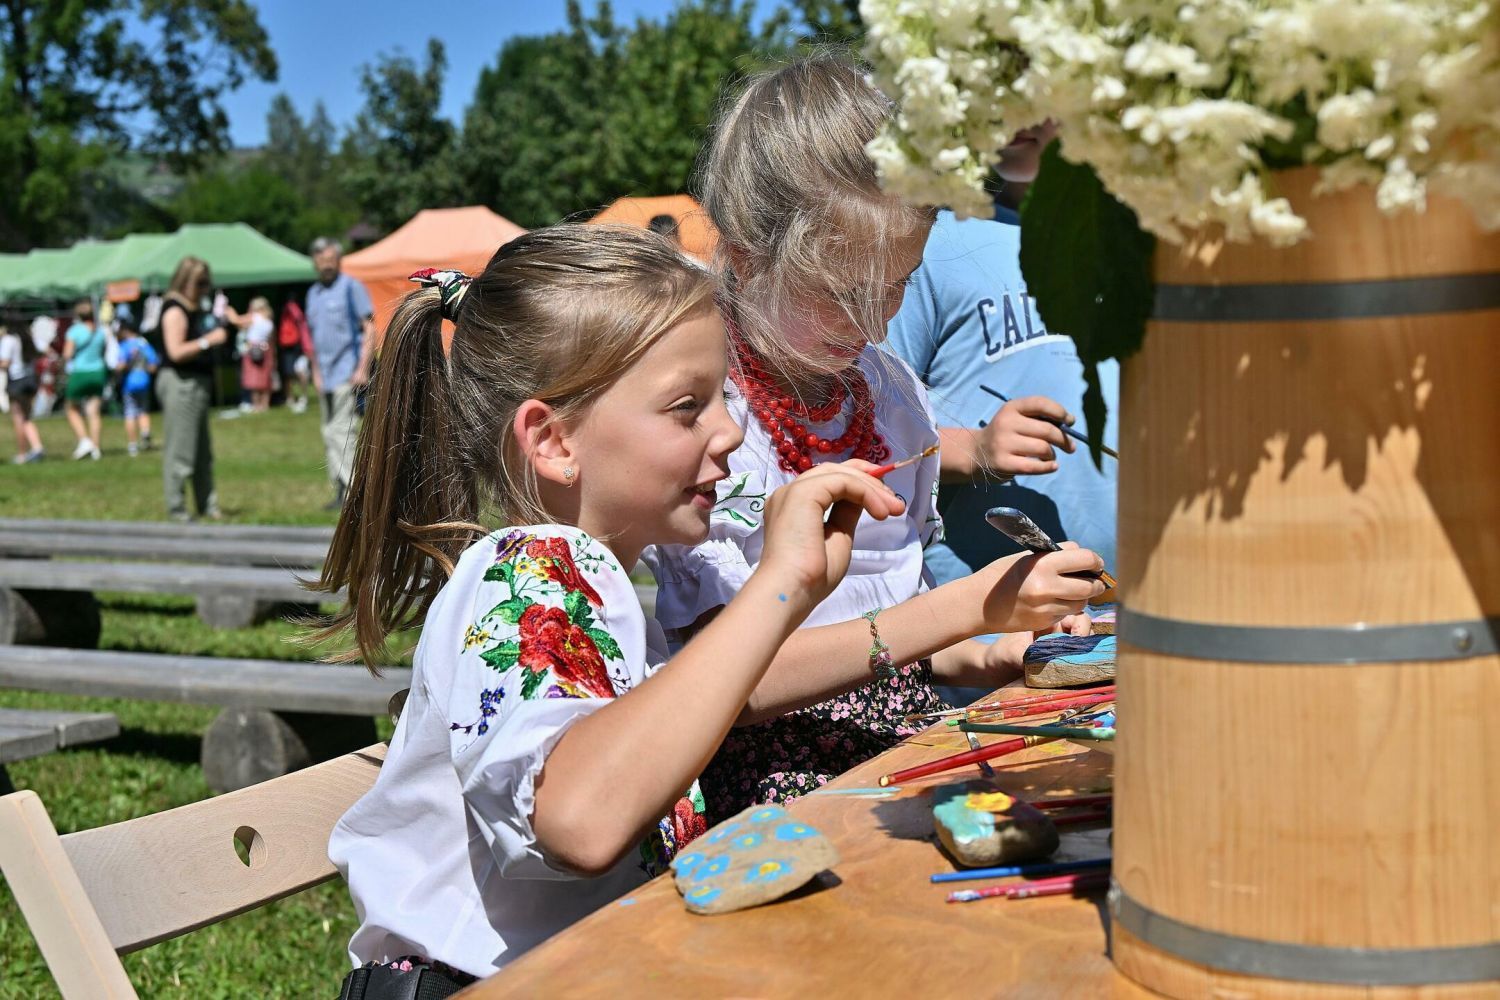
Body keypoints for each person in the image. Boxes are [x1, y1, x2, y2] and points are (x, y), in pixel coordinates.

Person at [318, 225, 1092, 989]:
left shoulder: (603, 594)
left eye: (722, 398)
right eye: (687, 408)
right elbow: (580, 821)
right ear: (553, 441)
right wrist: (781, 587)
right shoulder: (530, 569)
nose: (726, 432)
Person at [643, 56, 1104, 822]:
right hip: (767, 798)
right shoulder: (708, 422)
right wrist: (968, 607)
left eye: (899, 284)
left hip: (901, 759)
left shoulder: (889, 394)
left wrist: (998, 646)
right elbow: (733, 685)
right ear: (749, 257)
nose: (876, 321)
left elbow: (905, 627)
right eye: (840, 293)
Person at [884, 122, 1119, 584]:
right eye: (995, 92)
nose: (1016, 116)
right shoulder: (926, 239)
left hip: (1134, 594)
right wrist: (974, 449)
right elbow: (861, 427)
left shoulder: (1124, 239)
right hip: (983, 611)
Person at [304, 237, 375, 509]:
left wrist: (362, 368)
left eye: (331, 259)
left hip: (348, 372)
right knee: (328, 433)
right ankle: (340, 490)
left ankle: (356, 494)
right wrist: (315, 372)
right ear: (314, 262)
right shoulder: (313, 294)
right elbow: (313, 337)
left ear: (338, 260)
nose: (326, 265)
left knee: (342, 433)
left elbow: (370, 328)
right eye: (321, 260)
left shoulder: (351, 287)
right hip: (325, 376)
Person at [158, 256, 230, 521]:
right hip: (181, 383)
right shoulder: (175, 309)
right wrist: (208, 341)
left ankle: (207, 504)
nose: (204, 289)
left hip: (196, 383)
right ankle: (177, 506)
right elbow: (175, 351)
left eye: (206, 283)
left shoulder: (196, 308)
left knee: (202, 451)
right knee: (181, 449)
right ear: (184, 280)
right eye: (199, 283)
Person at [62, 300, 107, 460]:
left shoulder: (74, 331)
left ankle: (84, 440)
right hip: (99, 372)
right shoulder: (100, 331)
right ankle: (96, 448)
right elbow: (103, 351)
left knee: (71, 407)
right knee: (93, 411)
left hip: (80, 372)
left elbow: (67, 354)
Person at [114, 314, 159, 457]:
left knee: (130, 412)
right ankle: (145, 432)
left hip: (130, 382)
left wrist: (117, 371)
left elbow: (121, 365)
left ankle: (132, 445)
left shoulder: (125, 345)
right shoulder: (144, 344)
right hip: (144, 380)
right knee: (143, 410)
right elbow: (153, 365)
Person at [0, 318, 43, 463]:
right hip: (30, 379)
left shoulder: (9, 340)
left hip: (17, 381)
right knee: (26, 417)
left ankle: (22, 454)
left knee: (18, 418)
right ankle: (37, 447)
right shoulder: (27, 338)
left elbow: (5, 362)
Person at [228, 296, 275, 413]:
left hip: (253, 349)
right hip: (266, 349)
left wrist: (228, 309)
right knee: (265, 379)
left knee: (254, 379)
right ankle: (265, 404)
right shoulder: (268, 320)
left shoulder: (254, 317)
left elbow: (236, 321)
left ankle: (256, 405)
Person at [276, 298, 312, 413]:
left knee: (298, 372)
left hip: (297, 348)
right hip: (292, 347)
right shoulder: (293, 312)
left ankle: (299, 397)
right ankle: (296, 397)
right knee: (292, 373)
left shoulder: (290, 311)